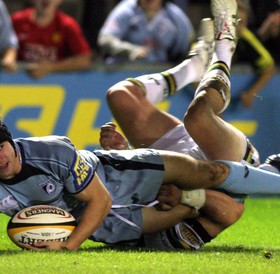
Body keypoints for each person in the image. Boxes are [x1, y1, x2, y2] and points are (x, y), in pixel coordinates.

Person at [0, 109, 280, 252]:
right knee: (200, 208)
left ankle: (273, 176)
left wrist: (68, 247)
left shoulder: (50, 151)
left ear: (10, 140)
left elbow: (100, 200)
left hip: (118, 173)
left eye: (2, 148)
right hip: (101, 224)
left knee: (211, 173)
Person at [99, 0, 279, 250]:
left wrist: (125, 152)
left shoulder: (100, 216)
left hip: (172, 165)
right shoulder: (158, 230)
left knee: (119, 95)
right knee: (198, 116)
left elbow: (133, 185)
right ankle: (224, 45)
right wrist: (188, 196)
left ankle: (192, 66)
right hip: (226, 167)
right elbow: (232, 211)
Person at [11, 0, 92, 79]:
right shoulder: (17, 21)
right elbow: (4, 49)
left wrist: (52, 67)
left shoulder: (68, 25)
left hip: (56, 84)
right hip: (16, 82)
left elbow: (84, 60)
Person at [97, 0, 194, 64]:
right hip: (123, 72)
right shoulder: (126, 10)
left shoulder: (175, 16)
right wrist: (129, 50)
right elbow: (105, 39)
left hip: (159, 75)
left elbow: (188, 46)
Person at [232, 0, 276, 108]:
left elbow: (269, 68)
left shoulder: (246, 38)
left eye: (242, 23)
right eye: (235, 23)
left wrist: (250, 93)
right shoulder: (210, 37)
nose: (238, 28)